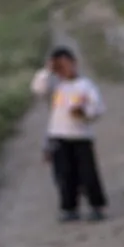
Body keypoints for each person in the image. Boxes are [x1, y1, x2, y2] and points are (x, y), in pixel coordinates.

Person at [32, 47, 108, 222]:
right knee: (64, 175)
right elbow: (37, 88)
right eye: (60, 66)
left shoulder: (85, 85)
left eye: (68, 64)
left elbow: (98, 107)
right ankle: (69, 207)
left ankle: (96, 206)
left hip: (81, 136)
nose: (65, 69)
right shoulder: (54, 86)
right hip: (59, 136)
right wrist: (47, 70)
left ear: (75, 63)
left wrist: (85, 112)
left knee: (88, 174)